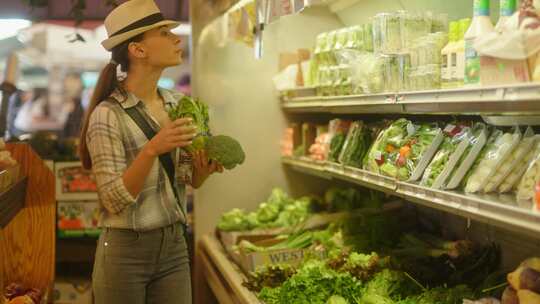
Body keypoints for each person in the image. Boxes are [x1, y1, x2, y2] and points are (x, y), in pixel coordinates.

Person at [78, 0, 223, 303]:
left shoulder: (177, 104)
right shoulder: (107, 114)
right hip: (124, 252)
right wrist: (152, 149)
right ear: (138, 50)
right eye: (164, 33)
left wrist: (201, 169)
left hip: (174, 246)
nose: (176, 38)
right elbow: (114, 200)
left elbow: (187, 178)